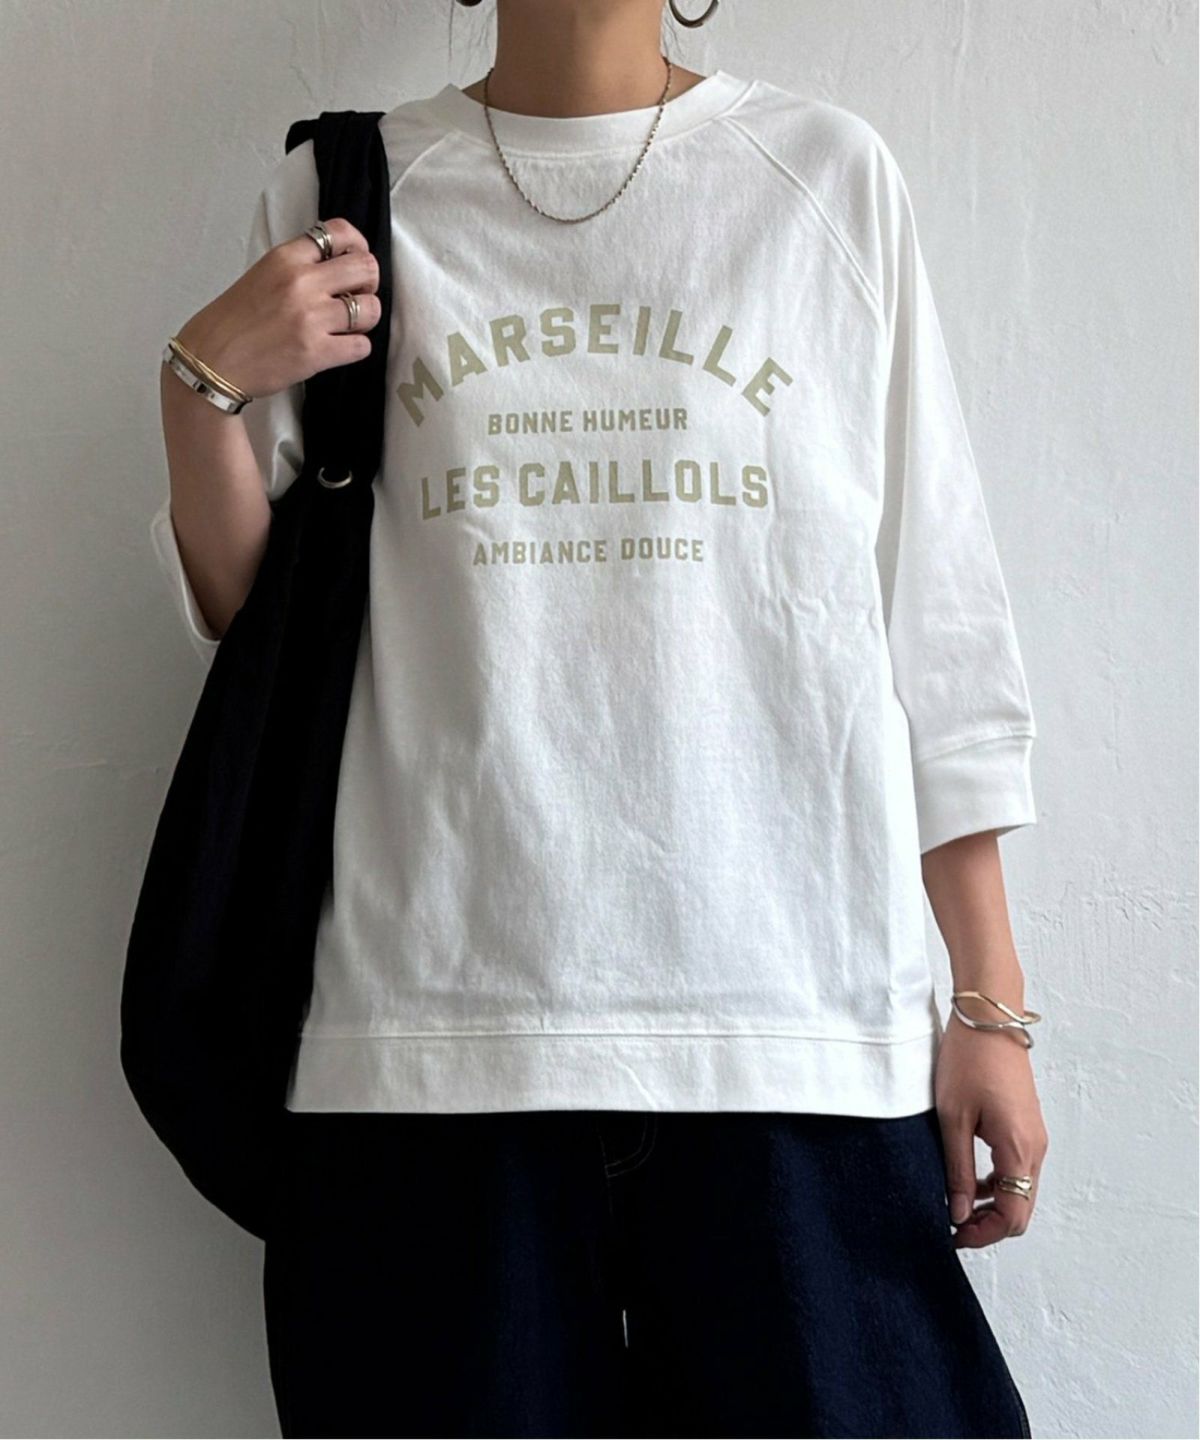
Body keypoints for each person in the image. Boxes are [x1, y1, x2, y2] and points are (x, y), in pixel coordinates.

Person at [151, 1, 1049, 1434]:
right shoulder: (346, 193)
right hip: (431, 1042)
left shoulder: (825, 178)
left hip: (790, 1031)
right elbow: (262, 629)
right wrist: (198, 393)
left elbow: (933, 618)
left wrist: (991, 1005)